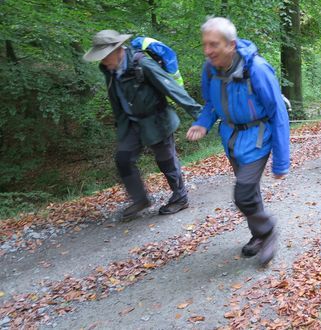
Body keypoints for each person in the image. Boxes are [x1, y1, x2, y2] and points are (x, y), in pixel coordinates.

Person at [186, 17, 289, 266]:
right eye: (205, 45)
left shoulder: (258, 69)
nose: (207, 51)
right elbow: (211, 103)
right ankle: (259, 235)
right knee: (250, 191)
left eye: (213, 44)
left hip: (258, 138)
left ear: (231, 45)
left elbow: (278, 113)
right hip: (231, 138)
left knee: (242, 193)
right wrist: (203, 123)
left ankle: (268, 231)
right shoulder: (210, 69)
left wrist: (281, 162)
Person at [83, 30, 203, 220]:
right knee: (123, 159)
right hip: (131, 123)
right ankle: (140, 200)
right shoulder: (109, 70)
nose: (103, 61)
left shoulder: (142, 63)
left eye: (105, 56)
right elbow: (116, 99)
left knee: (166, 161)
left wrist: (200, 116)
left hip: (156, 120)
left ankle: (180, 197)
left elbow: (170, 88)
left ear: (117, 50)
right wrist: (121, 126)